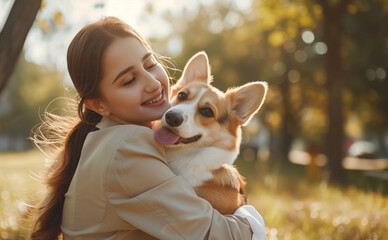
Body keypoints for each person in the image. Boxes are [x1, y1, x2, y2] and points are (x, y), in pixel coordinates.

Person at [29, 16, 266, 240]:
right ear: (97, 104)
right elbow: (215, 235)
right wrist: (248, 216)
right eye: (129, 80)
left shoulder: (105, 138)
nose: (153, 83)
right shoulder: (129, 148)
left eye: (150, 64)